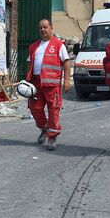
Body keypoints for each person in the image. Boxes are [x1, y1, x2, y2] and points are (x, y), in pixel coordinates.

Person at [27, 19, 72, 151]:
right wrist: (27, 81)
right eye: (41, 27)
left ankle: (52, 136)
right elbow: (30, 64)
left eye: (45, 27)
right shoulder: (33, 46)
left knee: (53, 109)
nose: (43, 30)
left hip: (52, 84)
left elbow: (66, 63)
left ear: (51, 28)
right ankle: (45, 127)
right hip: (36, 83)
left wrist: (67, 80)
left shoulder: (58, 45)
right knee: (35, 108)